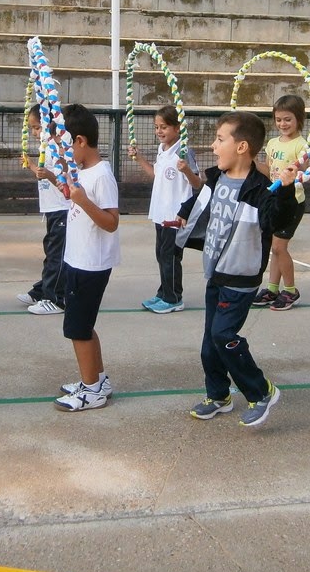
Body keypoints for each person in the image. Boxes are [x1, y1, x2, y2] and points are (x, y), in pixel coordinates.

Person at [176, 111, 297, 426]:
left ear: (242, 147)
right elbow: (202, 199)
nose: (214, 147)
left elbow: (276, 221)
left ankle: (261, 390)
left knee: (223, 335)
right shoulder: (217, 177)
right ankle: (218, 395)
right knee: (209, 344)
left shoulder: (260, 188)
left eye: (219, 139)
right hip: (215, 272)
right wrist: (183, 213)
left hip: (240, 277)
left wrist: (284, 190)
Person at [53, 104, 121, 412]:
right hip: (78, 258)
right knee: (84, 324)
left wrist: (82, 199)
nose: (61, 152)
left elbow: (111, 222)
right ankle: (98, 379)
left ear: (80, 141)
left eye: (63, 146)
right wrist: (66, 187)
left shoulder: (101, 175)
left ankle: (91, 390)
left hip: (91, 264)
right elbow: (77, 202)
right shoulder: (82, 171)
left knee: (77, 329)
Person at [130, 105, 201, 313]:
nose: (159, 131)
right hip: (160, 212)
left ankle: (173, 299)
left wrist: (186, 169)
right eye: (157, 127)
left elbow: (197, 184)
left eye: (165, 127)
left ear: (177, 128)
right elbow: (156, 175)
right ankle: (165, 292)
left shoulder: (183, 151)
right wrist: (139, 158)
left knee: (170, 255)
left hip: (175, 214)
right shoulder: (162, 150)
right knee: (161, 254)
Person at [252, 94, 308, 311]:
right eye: (279, 119)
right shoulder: (273, 143)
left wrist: (294, 172)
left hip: (292, 201)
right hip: (275, 199)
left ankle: (291, 290)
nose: (283, 124)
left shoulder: (302, 145)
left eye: (288, 119)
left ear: (298, 119)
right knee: (274, 249)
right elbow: (269, 170)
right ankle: (272, 288)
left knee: (279, 247)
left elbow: (301, 172)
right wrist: (253, 162)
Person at [17, 104, 69, 316]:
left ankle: (54, 298)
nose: (34, 133)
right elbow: (43, 173)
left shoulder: (60, 148)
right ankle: (42, 290)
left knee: (56, 254)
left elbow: (65, 178)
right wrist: (31, 166)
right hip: (51, 208)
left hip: (62, 208)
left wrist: (47, 174)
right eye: (32, 129)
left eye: (37, 127)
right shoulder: (45, 148)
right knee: (51, 251)